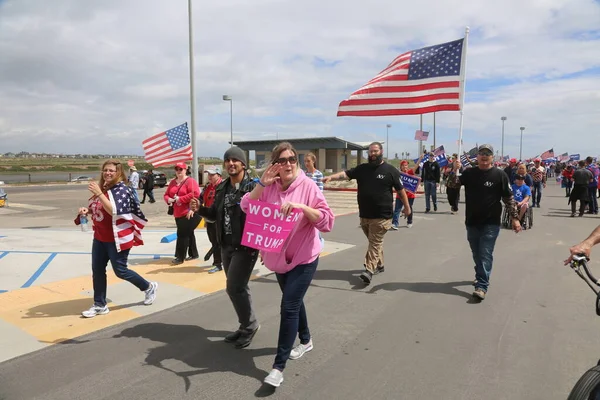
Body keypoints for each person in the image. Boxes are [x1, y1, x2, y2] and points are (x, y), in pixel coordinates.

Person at [241, 142, 334, 388]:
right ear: (275, 166)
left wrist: (302, 208)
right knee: (295, 301)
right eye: (283, 160)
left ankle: (278, 367)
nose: (290, 163)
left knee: (289, 306)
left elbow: (326, 221)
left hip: (305, 258)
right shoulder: (268, 187)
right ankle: (306, 339)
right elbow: (247, 208)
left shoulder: (308, 186)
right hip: (278, 261)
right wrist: (261, 184)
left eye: (293, 158)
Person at [190, 146, 261, 349]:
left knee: (234, 287)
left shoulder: (252, 188)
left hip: (245, 247)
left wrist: (263, 246)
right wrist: (200, 209)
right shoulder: (222, 189)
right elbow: (214, 215)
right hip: (226, 246)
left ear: (243, 164)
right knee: (236, 289)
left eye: (235, 160)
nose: (231, 163)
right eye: (227, 160)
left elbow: (261, 216)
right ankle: (246, 324)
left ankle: (250, 326)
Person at [77, 159, 158, 318]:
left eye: (111, 171)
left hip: (117, 238)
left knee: (120, 271)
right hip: (100, 237)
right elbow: (101, 210)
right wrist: (88, 211)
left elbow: (115, 211)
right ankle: (100, 304)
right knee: (97, 271)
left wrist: (99, 194)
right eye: (105, 170)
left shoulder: (122, 190)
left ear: (118, 173)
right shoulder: (104, 188)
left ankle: (148, 287)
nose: (107, 173)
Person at [322, 142, 411, 285]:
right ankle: (379, 264)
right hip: (364, 215)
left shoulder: (390, 170)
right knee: (374, 243)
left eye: (375, 151)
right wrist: (331, 177)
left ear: (381, 152)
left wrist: (407, 207)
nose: (372, 154)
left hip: (382, 216)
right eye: (370, 151)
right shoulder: (362, 169)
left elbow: (401, 190)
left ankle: (369, 270)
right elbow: (346, 174)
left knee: (375, 242)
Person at [453, 144, 520, 300]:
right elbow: (452, 185)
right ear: (477, 156)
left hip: (491, 222)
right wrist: (453, 169)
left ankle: (482, 285)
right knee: (476, 253)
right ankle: (480, 274)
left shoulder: (500, 175)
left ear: (492, 157)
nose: (484, 156)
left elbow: (508, 198)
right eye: (481, 153)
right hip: (471, 221)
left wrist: (515, 218)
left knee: (485, 253)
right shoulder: (469, 173)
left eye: (487, 154)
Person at [163, 162, 201, 265]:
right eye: (177, 169)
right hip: (177, 212)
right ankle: (193, 253)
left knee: (182, 234)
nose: (179, 171)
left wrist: (181, 199)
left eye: (181, 169)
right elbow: (166, 194)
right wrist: (169, 199)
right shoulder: (172, 182)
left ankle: (180, 257)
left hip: (189, 212)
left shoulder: (190, 181)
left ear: (185, 170)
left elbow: (195, 194)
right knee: (189, 232)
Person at [201, 167, 223, 273]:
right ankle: (219, 259)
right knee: (213, 240)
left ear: (218, 175)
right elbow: (201, 198)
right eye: (208, 174)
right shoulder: (208, 187)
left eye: (212, 174)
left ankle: (218, 263)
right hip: (209, 218)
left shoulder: (223, 186)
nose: (209, 177)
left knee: (216, 241)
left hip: (219, 219)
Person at [392, 160, 416, 229]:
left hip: (410, 195)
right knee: (397, 209)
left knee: (409, 208)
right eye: (403, 165)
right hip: (400, 195)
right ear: (400, 167)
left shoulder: (410, 172)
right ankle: (395, 223)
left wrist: (420, 159)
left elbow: (416, 167)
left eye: (406, 165)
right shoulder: (398, 174)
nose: (404, 167)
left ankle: (409, 221)